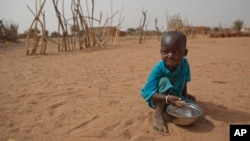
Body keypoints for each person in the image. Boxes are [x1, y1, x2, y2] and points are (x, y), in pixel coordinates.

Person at [141, 31, 196, 133]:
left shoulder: (184, 64)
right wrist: (166, 98)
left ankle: (175, 102)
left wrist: (185, 96)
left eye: (176, 52)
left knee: (193, 106)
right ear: (161, 52)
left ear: (185, 53)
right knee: (164, 81)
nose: (170, 56)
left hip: (174, 97)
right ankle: (159, 113)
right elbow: (146, 93)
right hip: (158, 99)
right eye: (165, 52)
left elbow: (184, 81)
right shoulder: (159, 68)